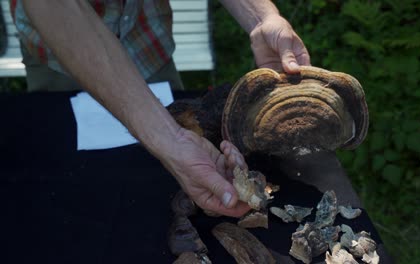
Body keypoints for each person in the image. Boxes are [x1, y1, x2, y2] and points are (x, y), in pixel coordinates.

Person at [14, 0, 311, 217]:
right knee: (66, 187)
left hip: (147, 41)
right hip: (61, 53)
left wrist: (261, 19)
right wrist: (169, 137)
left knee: (152, 185)